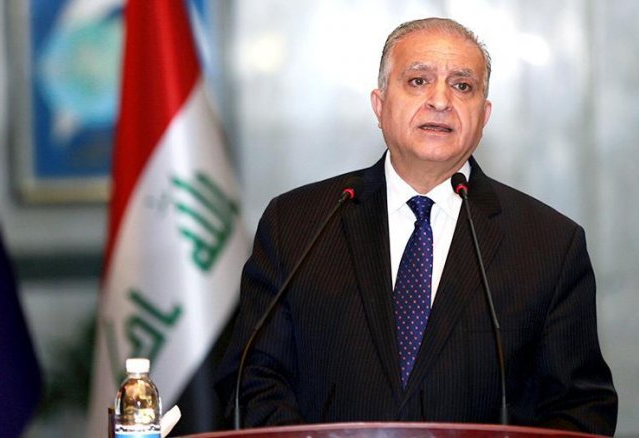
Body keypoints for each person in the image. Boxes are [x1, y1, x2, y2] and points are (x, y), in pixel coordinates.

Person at [215, 17, 617, 435]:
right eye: (418, 81)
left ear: (484, 115)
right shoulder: (297, 223)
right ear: (379, 104)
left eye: (463, 86)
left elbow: (581, 408)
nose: (440, 100)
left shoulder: (549, 244)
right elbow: (253, 378)